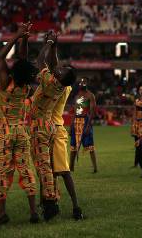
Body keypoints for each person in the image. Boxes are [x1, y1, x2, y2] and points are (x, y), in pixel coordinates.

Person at [0, 23, 39, 225]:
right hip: (21, 131)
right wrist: (25, 39)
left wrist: (16, 35)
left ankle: (2, 214)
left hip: (3, 132)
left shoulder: (5, 83)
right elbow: (23, 61)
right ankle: (33, 212)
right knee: (25, 170)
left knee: (2, 172)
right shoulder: (25, 84)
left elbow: (1, 57)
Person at [29, 31, 77, 221]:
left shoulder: (50, 82)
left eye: (63, 69)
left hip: (44, 126)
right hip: (49, 125)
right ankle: (49, 201)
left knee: (49, 168)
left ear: (60, 76)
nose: (60, 68)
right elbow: (54, 65)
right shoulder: (63, 84)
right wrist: (55, 46)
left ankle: (51, 204)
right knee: (47, 167)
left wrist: (48, 42)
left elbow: (40, 61)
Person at [50, 80, 84, 220]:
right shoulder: (59, 85)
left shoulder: (63, 87)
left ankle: (76, 207)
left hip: (57, 129)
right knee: (48, 172)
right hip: (46, 130)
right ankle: (51, 205)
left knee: (64, 171)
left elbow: (81, 109)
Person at [69, 77, 97, 173]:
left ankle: (95, 168)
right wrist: (71, 125)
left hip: (85, 121)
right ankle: (70, 167)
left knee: (90, 146)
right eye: (81, 82)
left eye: (84, 82)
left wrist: (89, 126)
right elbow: (74, 112)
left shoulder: (90, 96)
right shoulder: (76, 96)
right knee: (73, 146)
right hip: (76, 121)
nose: (82, 84)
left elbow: (93, 112)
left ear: (87, 84)